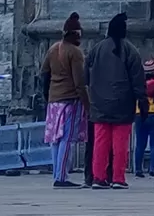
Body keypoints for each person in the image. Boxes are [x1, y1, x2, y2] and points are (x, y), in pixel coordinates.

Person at [86, 12, 146, 189]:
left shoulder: (96, 49)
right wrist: (141, 101)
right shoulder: (131, 51)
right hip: (123, 103)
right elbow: (138, 80)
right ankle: (118, 177)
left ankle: (98, 177)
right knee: (120, 143)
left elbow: (86, 74)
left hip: (99, 103)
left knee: (100, 142)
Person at [42, 13, 88, 188]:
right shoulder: (75, 52)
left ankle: (57, 174)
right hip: (70, 100)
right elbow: (79, 82)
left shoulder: (53, 48)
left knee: (55, 139)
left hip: (54, 100)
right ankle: (61, 177)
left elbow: (44, 73)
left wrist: (47, 95)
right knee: (66, 139)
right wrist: (87, 104)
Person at [134, 58, 154, 177]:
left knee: (140, 144)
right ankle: (153, 169)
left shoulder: (138, 83)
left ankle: (138, 170)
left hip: (139, 113)